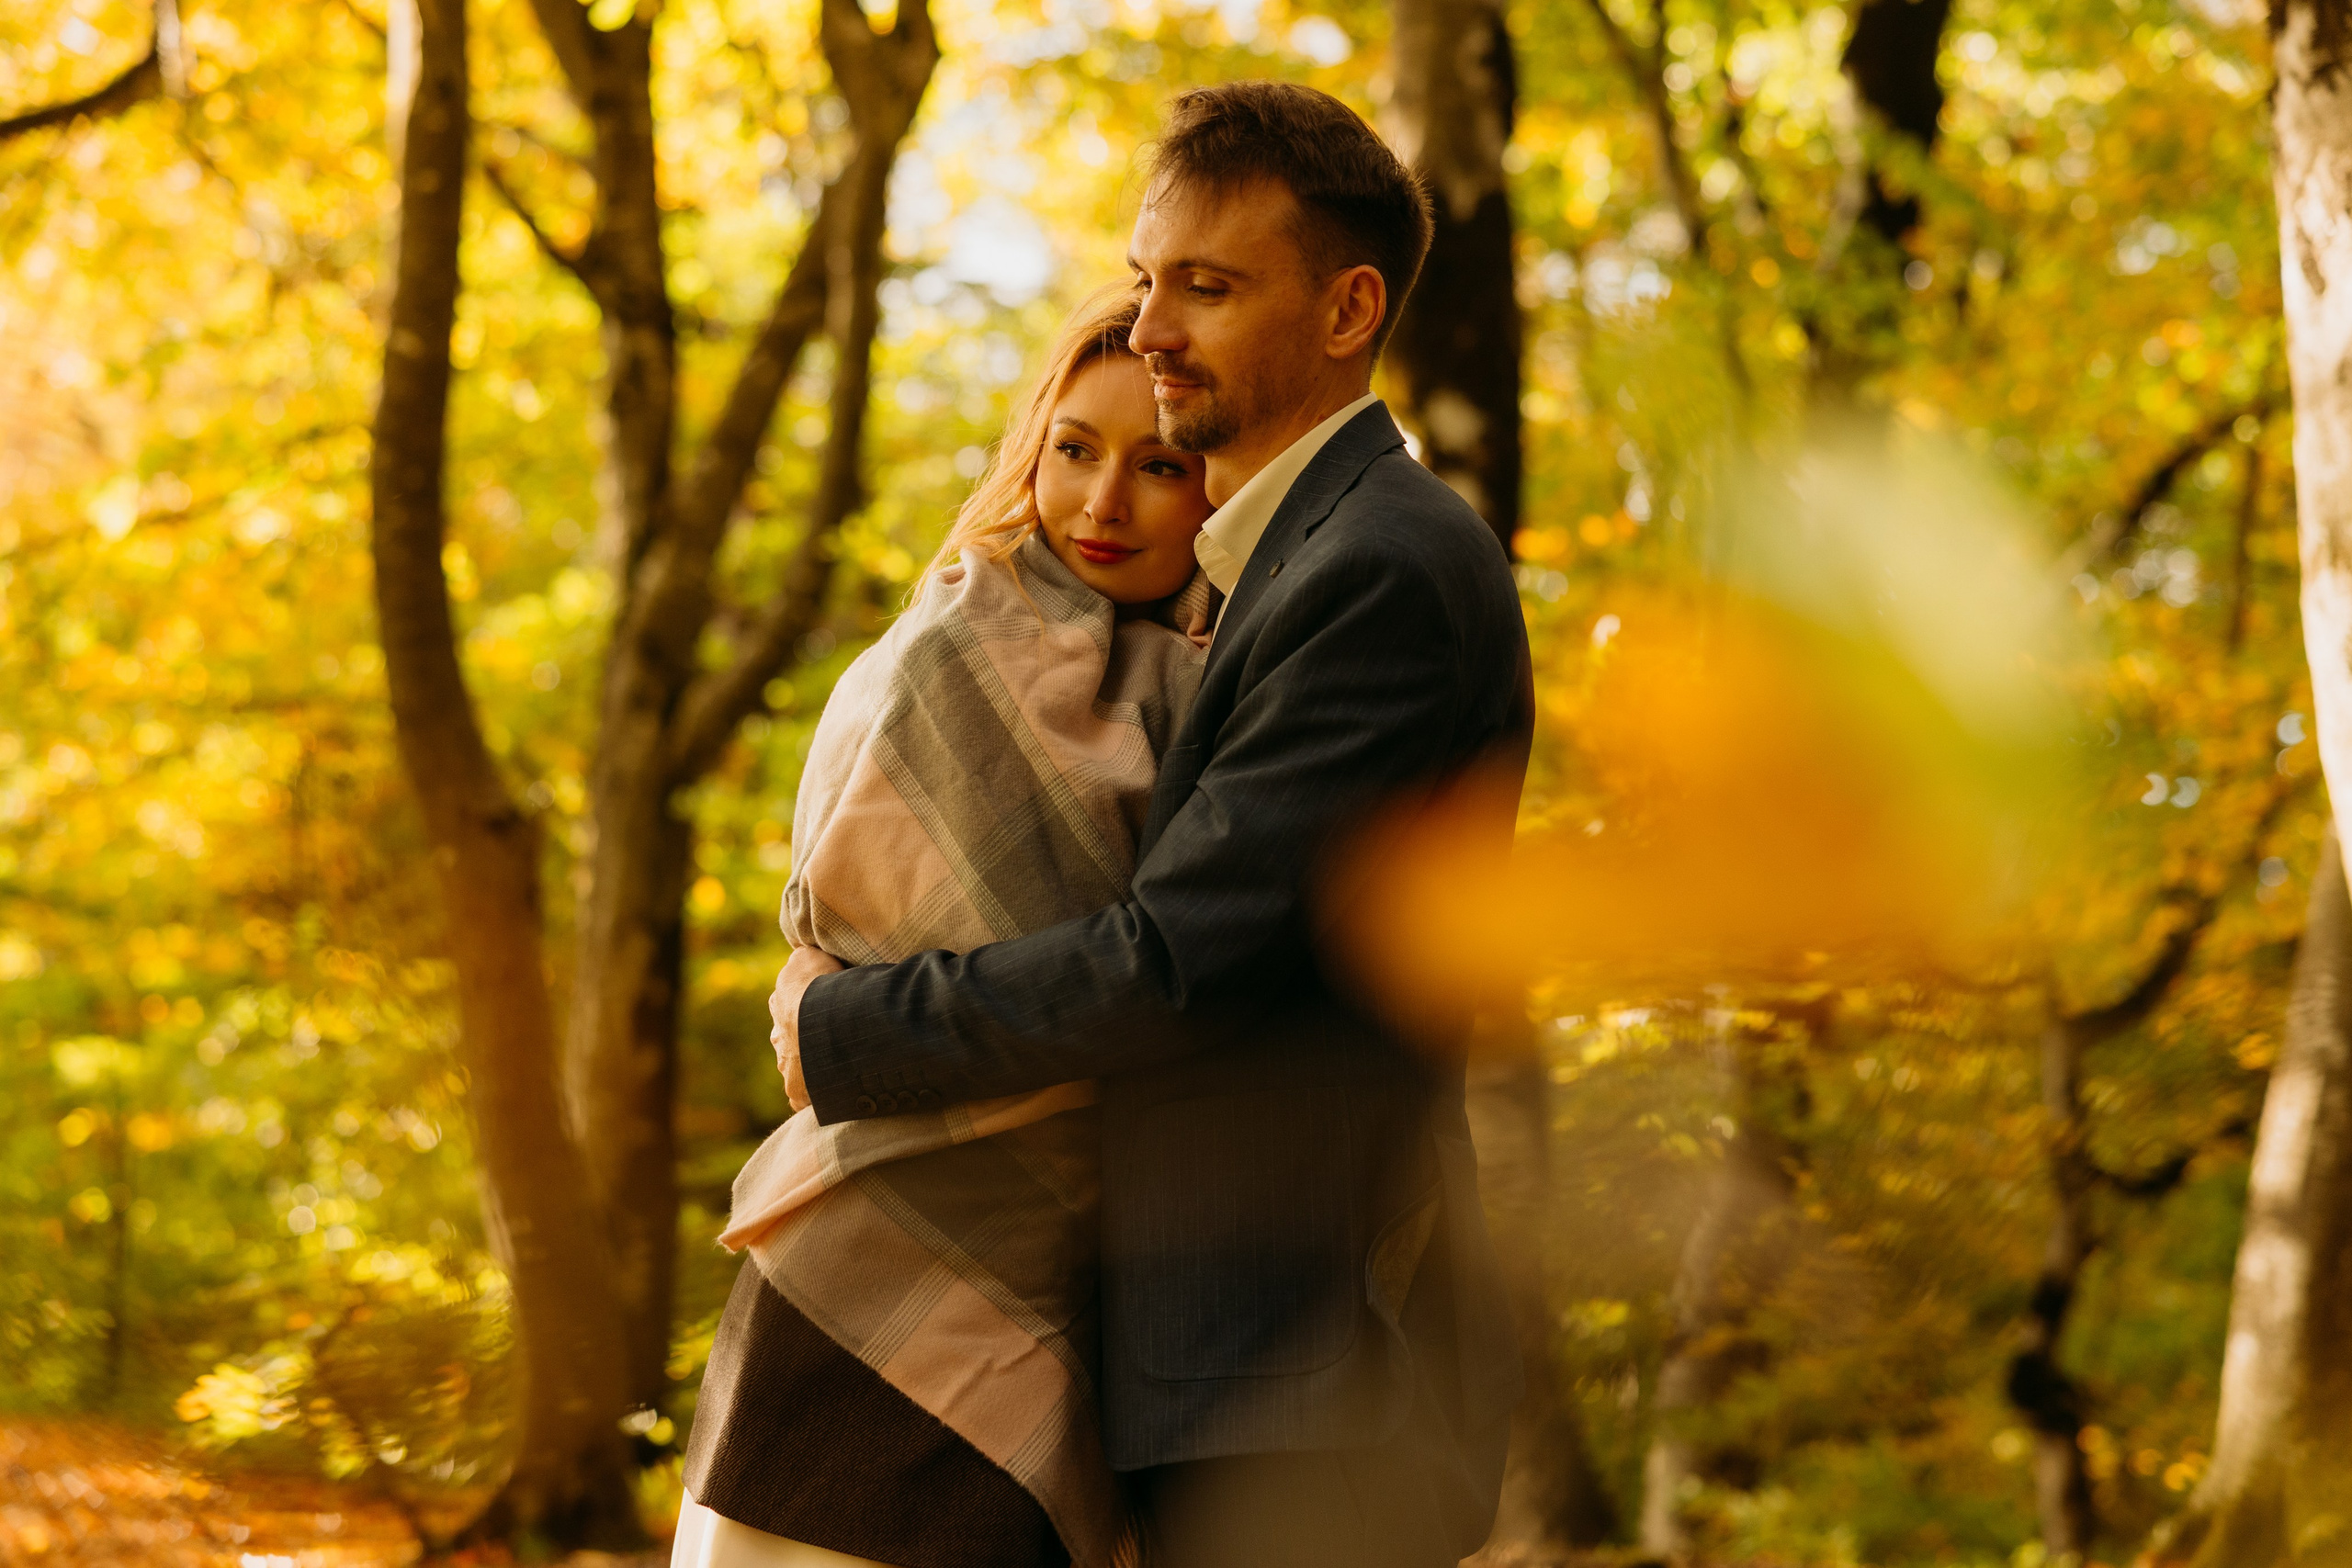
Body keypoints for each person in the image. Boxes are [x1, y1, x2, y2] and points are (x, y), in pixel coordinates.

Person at [772, 82, 1530, 1568]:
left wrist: (845, 1030)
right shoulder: (1274, 568)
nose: (1156, 324)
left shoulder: (1377, 564)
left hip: (1309, 1379)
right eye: (1145, 278)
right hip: (1237, 1373)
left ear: (1346, 309)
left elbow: (1184, 963)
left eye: (1208, 284)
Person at [675, 289, 1216, 1568]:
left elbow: (1169, 972)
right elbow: (843, 914)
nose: (1102, 502)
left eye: (1158, 467)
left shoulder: (1215, 692)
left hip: (1052, 1288)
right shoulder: (949, 636)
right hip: (859, 1252)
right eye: (1075, 449)